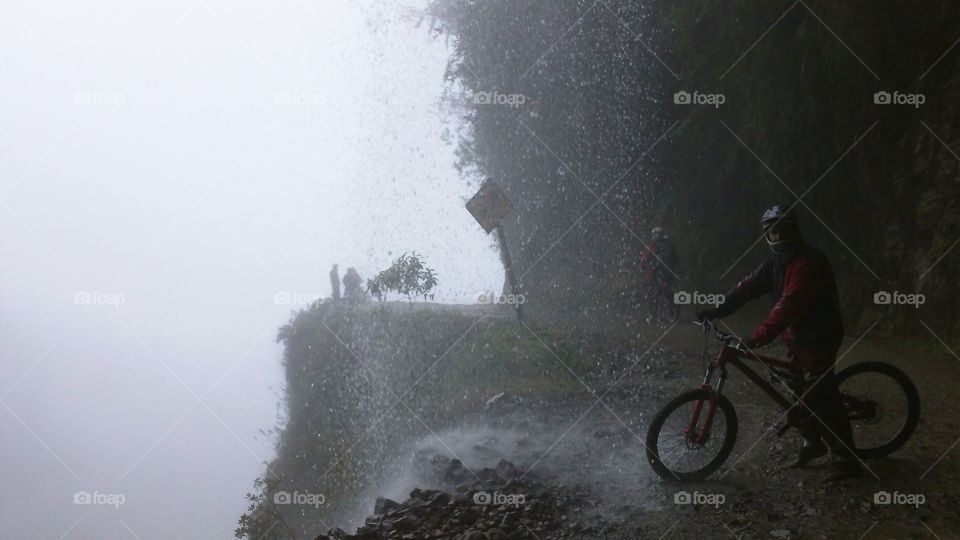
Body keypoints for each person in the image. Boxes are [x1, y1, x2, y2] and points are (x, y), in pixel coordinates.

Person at [696, 204, 862, 481]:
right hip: (797, 336)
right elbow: (744, 289)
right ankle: (812, 444)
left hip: (820, 334)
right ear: (768, 235)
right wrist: (715, 309)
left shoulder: (808, 262)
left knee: (820, 393)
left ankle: (847, 461)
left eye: (785, 228)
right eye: (774, 230)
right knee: (798, 388)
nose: (780, 235)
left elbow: (788, 306)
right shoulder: (775, 264)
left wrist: (756, 338)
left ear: (795, 230)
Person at [640, 226, 679, 322]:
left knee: (652, 293)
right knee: (664, 289)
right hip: (668, 272)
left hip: (656, 273)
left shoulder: (652, 246)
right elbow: (676, 257)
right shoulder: (667, 244)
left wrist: (643, 266)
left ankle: (653, 313)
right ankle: (665, 308)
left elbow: (644, 259)